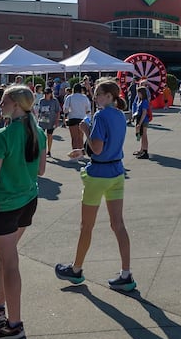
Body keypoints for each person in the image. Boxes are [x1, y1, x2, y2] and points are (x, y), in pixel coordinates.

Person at [0, 84, 46, 339]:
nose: (0, 105)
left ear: (16, 105)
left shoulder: (2, 136)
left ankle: (14, 323)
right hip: (28, 200)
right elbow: (41, 171)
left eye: (4, 101)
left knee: (9, 263)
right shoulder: (38, 132)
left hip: (5, 204)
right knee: (8, 258)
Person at [54, 77, 135, 293]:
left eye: (99, 94)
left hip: (98, 175)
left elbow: (98, 148)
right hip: (116, 172)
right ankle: (126, 273)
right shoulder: (119, 115)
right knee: (118, 225)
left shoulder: (100, 115)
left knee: (86, 226)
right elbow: (107, 147)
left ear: (109, 96)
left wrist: (85, 130)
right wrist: (83, 151)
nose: (96, 97)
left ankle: (77, 269)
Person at [62, 81, 93, 158]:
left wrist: (68, 112)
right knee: (80, 137)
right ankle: (81, 154)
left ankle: (74, 155)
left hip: (72, 118)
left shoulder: (69, 97)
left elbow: (65, 109)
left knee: (74, 138)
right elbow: (88, 110)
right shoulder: (84, 97)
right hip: (82, 119)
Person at [35, 85, 62, 160]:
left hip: (51, 121)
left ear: (51, 94)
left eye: (48, 93)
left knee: (49, 135)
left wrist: (57, 121)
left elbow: (58, 111)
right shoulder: (41, 100)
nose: (46, 95)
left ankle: (49, 150)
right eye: (45, 93)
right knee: (41, 136)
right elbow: (39, 111)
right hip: (42, 121)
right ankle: (41, 150)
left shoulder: (54, 101)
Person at [129, 82, 152, 159]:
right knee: (142, 135)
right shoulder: (141, 101)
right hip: (140, 119)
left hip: (143, 120)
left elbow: (144, 112)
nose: (137, 95)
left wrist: (140, 123)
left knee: (144, 135)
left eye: (138, 93)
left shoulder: (144, 101)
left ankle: (145, 151)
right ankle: (142, 149)